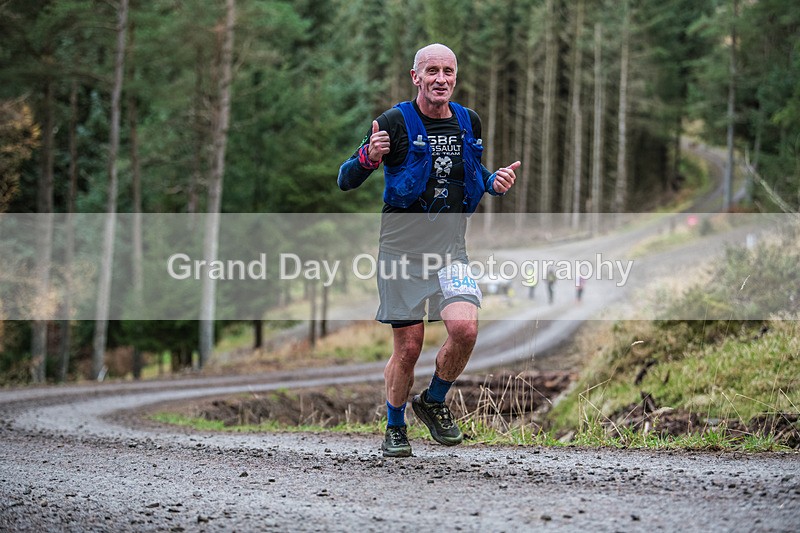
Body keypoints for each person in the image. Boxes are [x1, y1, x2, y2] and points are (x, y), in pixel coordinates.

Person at [337, 43, 520, 457]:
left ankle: (433, 400)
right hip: (401, 254)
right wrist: (368, 157)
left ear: (456, 76)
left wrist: (494, 182)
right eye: (432, 71)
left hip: (450, 252)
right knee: (408, 347)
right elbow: (345, 178)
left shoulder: (468, 121)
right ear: (415, 77)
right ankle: (395, 426)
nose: (441, 79)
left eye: (448, 71)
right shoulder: (393, 123)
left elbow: (468, 175)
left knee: (465, 329)